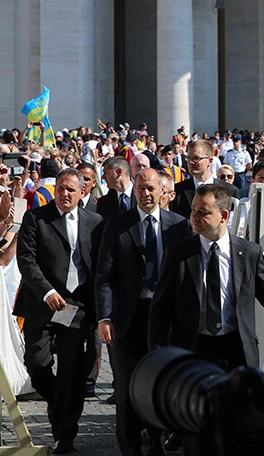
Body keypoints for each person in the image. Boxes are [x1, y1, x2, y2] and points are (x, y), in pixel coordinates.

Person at [147, 184, 264, 456]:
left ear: (223, 216)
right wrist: (157, 357)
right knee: (196, 432)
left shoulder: (248, 253)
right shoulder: (178, 255)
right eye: (193, 211)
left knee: (235, 430)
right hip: (193, 351)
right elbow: (160, 311)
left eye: (202, 212)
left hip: (235, 350)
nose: (194, 217)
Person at [95, 169, 192, 456]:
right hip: (128, 317)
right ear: (134, 190)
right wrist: (104, 317)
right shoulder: (117, 225)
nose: (146, 194)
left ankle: (157, 439)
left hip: (165, 316)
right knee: (127, 385)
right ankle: (129, 447)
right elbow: (104, 275)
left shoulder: (179, 226)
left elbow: (188, 275)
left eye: (151, 188)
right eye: (140, 188)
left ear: (163, 190)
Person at [14, 169, 103, 454]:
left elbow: (99, 266)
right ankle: (57, 403)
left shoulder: (95, 222)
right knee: (37, 364)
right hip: (43, 304)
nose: (65, 194)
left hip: (77, 308)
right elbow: (26, 259)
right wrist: (47, 291)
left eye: (71, 190)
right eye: (61, 188)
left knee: (71, 372)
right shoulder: (36, 218)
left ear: (82, 193)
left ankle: (65, 435)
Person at [171, 140, 238, 219]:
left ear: (210, 161)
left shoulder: (230, 191)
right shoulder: (178, 190)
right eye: (188, 158)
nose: (190, 162)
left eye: (196, 158)